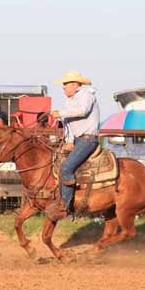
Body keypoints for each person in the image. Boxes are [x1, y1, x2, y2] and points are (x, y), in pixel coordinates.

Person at [46, 71, 100, 221]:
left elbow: (82, 111)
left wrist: (60, 113)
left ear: (75, 85)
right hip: (78, 140)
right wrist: (69, 141)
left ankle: (66, 207)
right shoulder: (70, 101)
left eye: (65, 85)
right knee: (57, 162)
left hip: (87, 140)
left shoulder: (85, 94)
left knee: (66, 168)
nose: (63, 88)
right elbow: (69, 123)